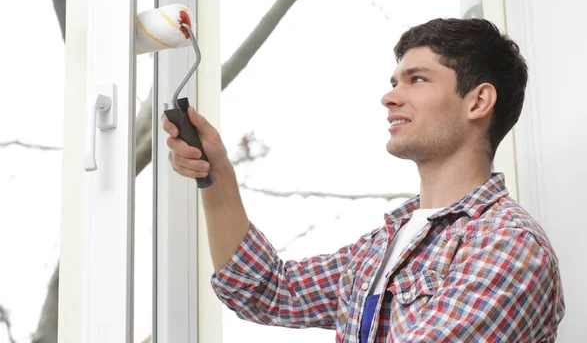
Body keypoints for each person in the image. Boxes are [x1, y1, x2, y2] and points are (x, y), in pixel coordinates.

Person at [162, 18, 565, 342]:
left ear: (478, 101)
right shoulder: (381, 247)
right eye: (394, 83)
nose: (389, 97)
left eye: (417, 79)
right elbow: (264, 290)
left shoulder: (509, 245)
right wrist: (215, 172)